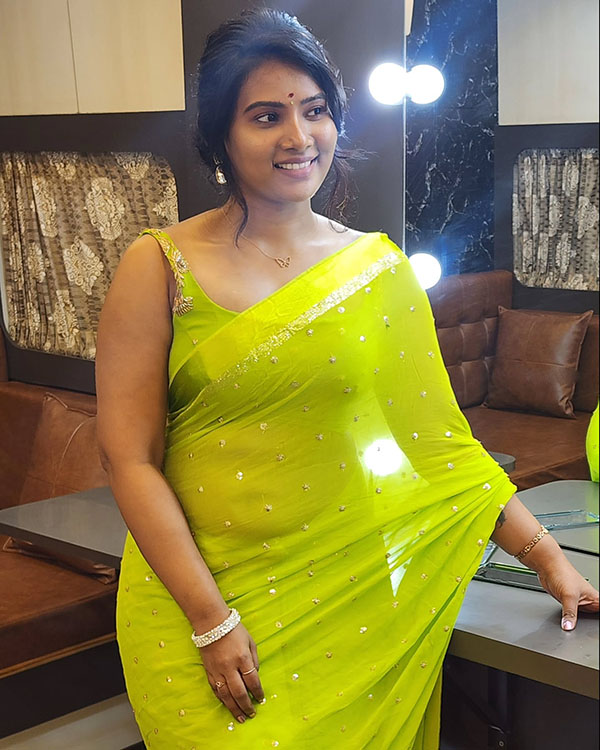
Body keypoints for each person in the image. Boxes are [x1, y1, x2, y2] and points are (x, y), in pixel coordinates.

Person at [95, 9, 599, 749]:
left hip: (349, 605)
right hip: (197, 611)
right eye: (266, 116)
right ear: (220, 137)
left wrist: (549, 559)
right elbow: (128, 459)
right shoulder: (159, 265)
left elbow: (442, 448)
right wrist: (211, 621)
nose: (298, 137)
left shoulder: (376, 269)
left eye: (314, 111)